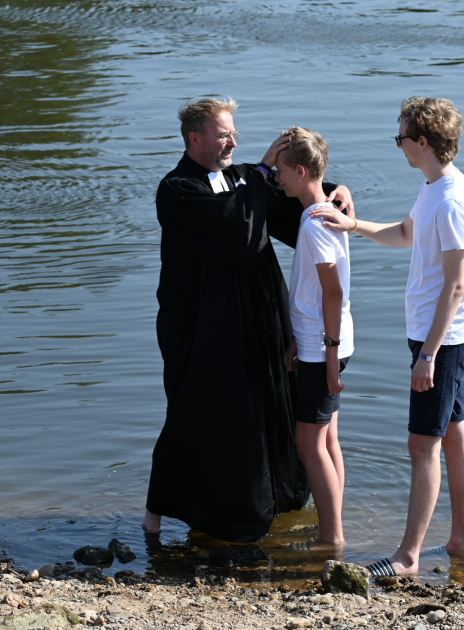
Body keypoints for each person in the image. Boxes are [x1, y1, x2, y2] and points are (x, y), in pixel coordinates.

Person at [144, 98, 352, 543]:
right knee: (202, 412)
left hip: (260, 321)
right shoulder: (177, 189)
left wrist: (335, 191)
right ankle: (169, 515)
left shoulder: (244, 178)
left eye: (234, 132)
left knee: (270, 408)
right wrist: (259, 173)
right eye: (223, 134)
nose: (233, 141)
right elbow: (237, 233)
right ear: (195, 138)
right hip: (206, 328)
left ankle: (274, 503)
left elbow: (295, 205)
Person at [311, 96, 464, 575]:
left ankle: (407, 557)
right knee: (453, 433)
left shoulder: (451, 201)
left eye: (401, 136)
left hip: (442, 340)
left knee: (422, 444)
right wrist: (353, 225)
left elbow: (456, 284)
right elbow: (407, 232)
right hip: (442, 337)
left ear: (422, 142)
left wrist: (427, 354)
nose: (399, 144)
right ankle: (461, 541)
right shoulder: (436, 186)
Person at [271, 127, 353, 546]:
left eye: (282, 172)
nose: (277, 179)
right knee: (327, 438)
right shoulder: (321, 212)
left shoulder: (318, 223)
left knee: (309, 441)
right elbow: (311, 291)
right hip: (318, 342)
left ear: (301, 171)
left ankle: (331, 536)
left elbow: (333, 290)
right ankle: (332, 525)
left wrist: (329, 352)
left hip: (326, 346)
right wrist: (296, 343)